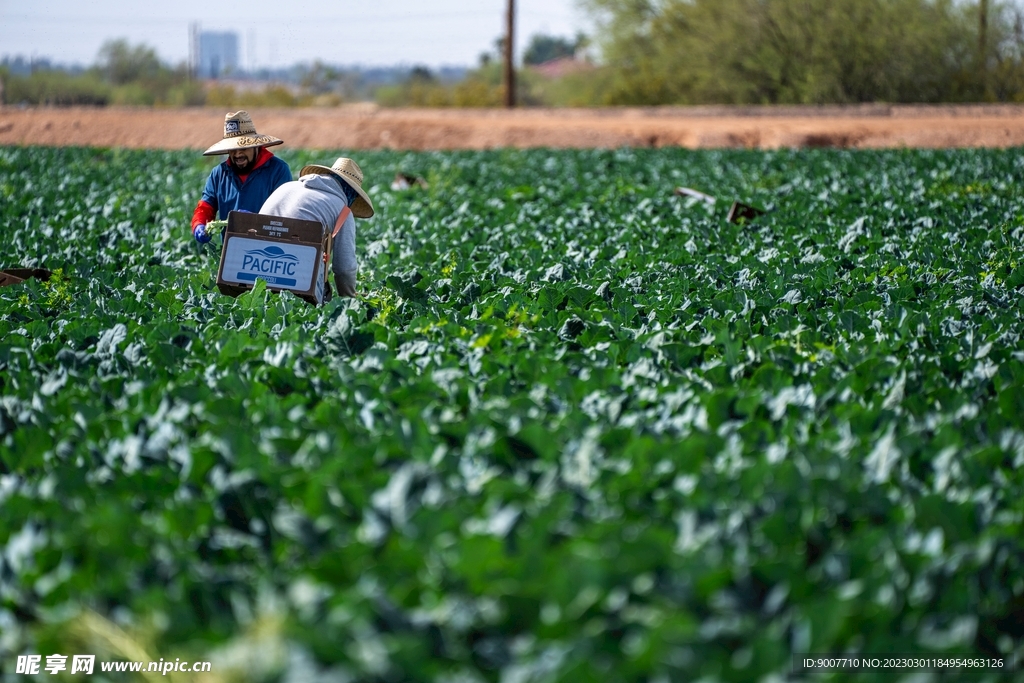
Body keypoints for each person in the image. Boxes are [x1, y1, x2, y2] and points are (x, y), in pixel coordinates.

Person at [259, 158, 374, 298]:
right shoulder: (343, 211)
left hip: (257, 265)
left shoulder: (286, 187)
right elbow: (344, 268)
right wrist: (349, 299)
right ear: (350, 192)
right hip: (296, 276)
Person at [191, 111, 292, 244]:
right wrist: (199, 224)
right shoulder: (219, 174)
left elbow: (287, 218)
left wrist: (256, 222)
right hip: (230, 253)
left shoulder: (278, 170)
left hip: (267, 252)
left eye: (243, 147)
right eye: (232, 149)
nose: (238, 154)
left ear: (256, 145)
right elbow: (205, 208)